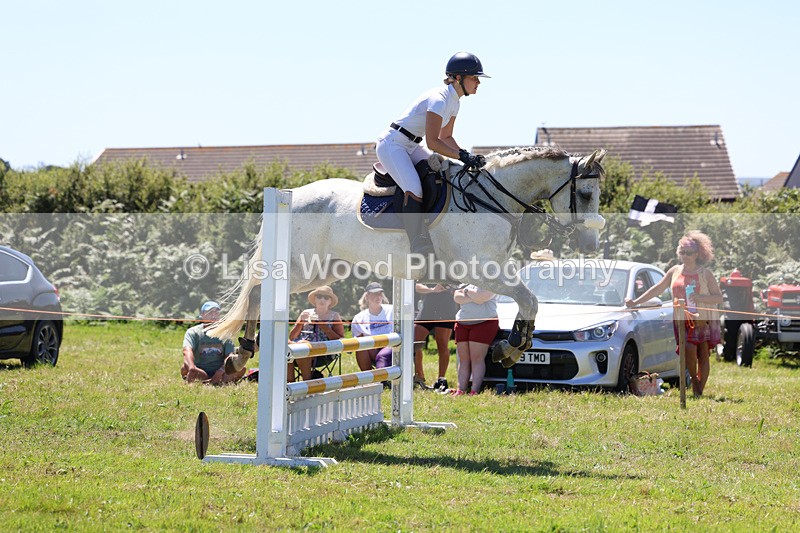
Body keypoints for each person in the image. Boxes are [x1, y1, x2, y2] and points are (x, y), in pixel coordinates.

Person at [375, 52, 490, 256]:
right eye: (474, 77)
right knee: (414, 188)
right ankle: (417, 242)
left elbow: (446, 137)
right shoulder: (439, 100)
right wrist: (461, 156)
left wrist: (465, 156)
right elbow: (433, 142)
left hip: (411, 145)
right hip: (393, 145)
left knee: (444, 174)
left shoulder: (455, 102)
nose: (478, 82)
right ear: (457, 78)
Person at [625, 231, 723, 397]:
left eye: (689, 253)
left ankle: (699, 389)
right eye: (682, 252)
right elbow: (656, 289)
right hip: (681, 319)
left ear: (698, 254)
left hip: (702, 319)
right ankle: (694, 380)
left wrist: (701, 297)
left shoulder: (705, 274)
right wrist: (635, 302)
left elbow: (718, 297)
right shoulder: (675, 271)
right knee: (689, 351)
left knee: (703, 353)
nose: (685, 256)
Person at [288, 286, 345, 382]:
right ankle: (289, 385)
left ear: (330, 301)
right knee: (286, 346)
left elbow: (340, 339)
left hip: (323, 352)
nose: (322, 299)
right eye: (319, 296)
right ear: (315, 299)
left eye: (326, 297)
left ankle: (307, 384)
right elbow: (292, 336)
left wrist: (322, 325)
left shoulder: (334, 315)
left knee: (303, 347)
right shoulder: (305, 312)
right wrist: (301, 322)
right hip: (298, 347)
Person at [181, 301, 245, 385]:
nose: (213, 315)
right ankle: (208, 379)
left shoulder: (226, 333)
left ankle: (213, 380)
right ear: (202, 315)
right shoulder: (193, 332)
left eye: (216, 312)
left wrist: (221, 370)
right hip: (199, 369)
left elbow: (229, 356)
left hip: (220, 369)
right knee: (185, 368)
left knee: (241, 369)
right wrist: (192, 368)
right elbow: (187, 351)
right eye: (210, 312)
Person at [451, 284, 499, 396]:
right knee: (463, 359)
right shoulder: (465, 280)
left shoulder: (491, 281)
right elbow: (457, 298)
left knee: (477, 358)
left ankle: (474, 390)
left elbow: (483, 298)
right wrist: (474, 295)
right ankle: (461, 390)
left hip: (484, 323)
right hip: (462, 323)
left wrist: (466, 291)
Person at [413, 283, 456, 391]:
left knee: (442, 344)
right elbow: (416, 286)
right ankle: (419, 376)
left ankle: (441, 379)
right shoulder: (427, 270)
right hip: (428, 308)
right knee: (413, 342)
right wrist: (432, 289)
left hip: (446, 308)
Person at [351, 282, 396, 375]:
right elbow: (358, 338)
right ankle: (369, 378)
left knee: (382, 355)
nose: (378, 297)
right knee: (361, 348)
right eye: (375, 294)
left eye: (380, 294)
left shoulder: (392, 310)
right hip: (372, 348)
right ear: (367, 297)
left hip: (391, 347)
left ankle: (380, 380)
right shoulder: (359, 318)